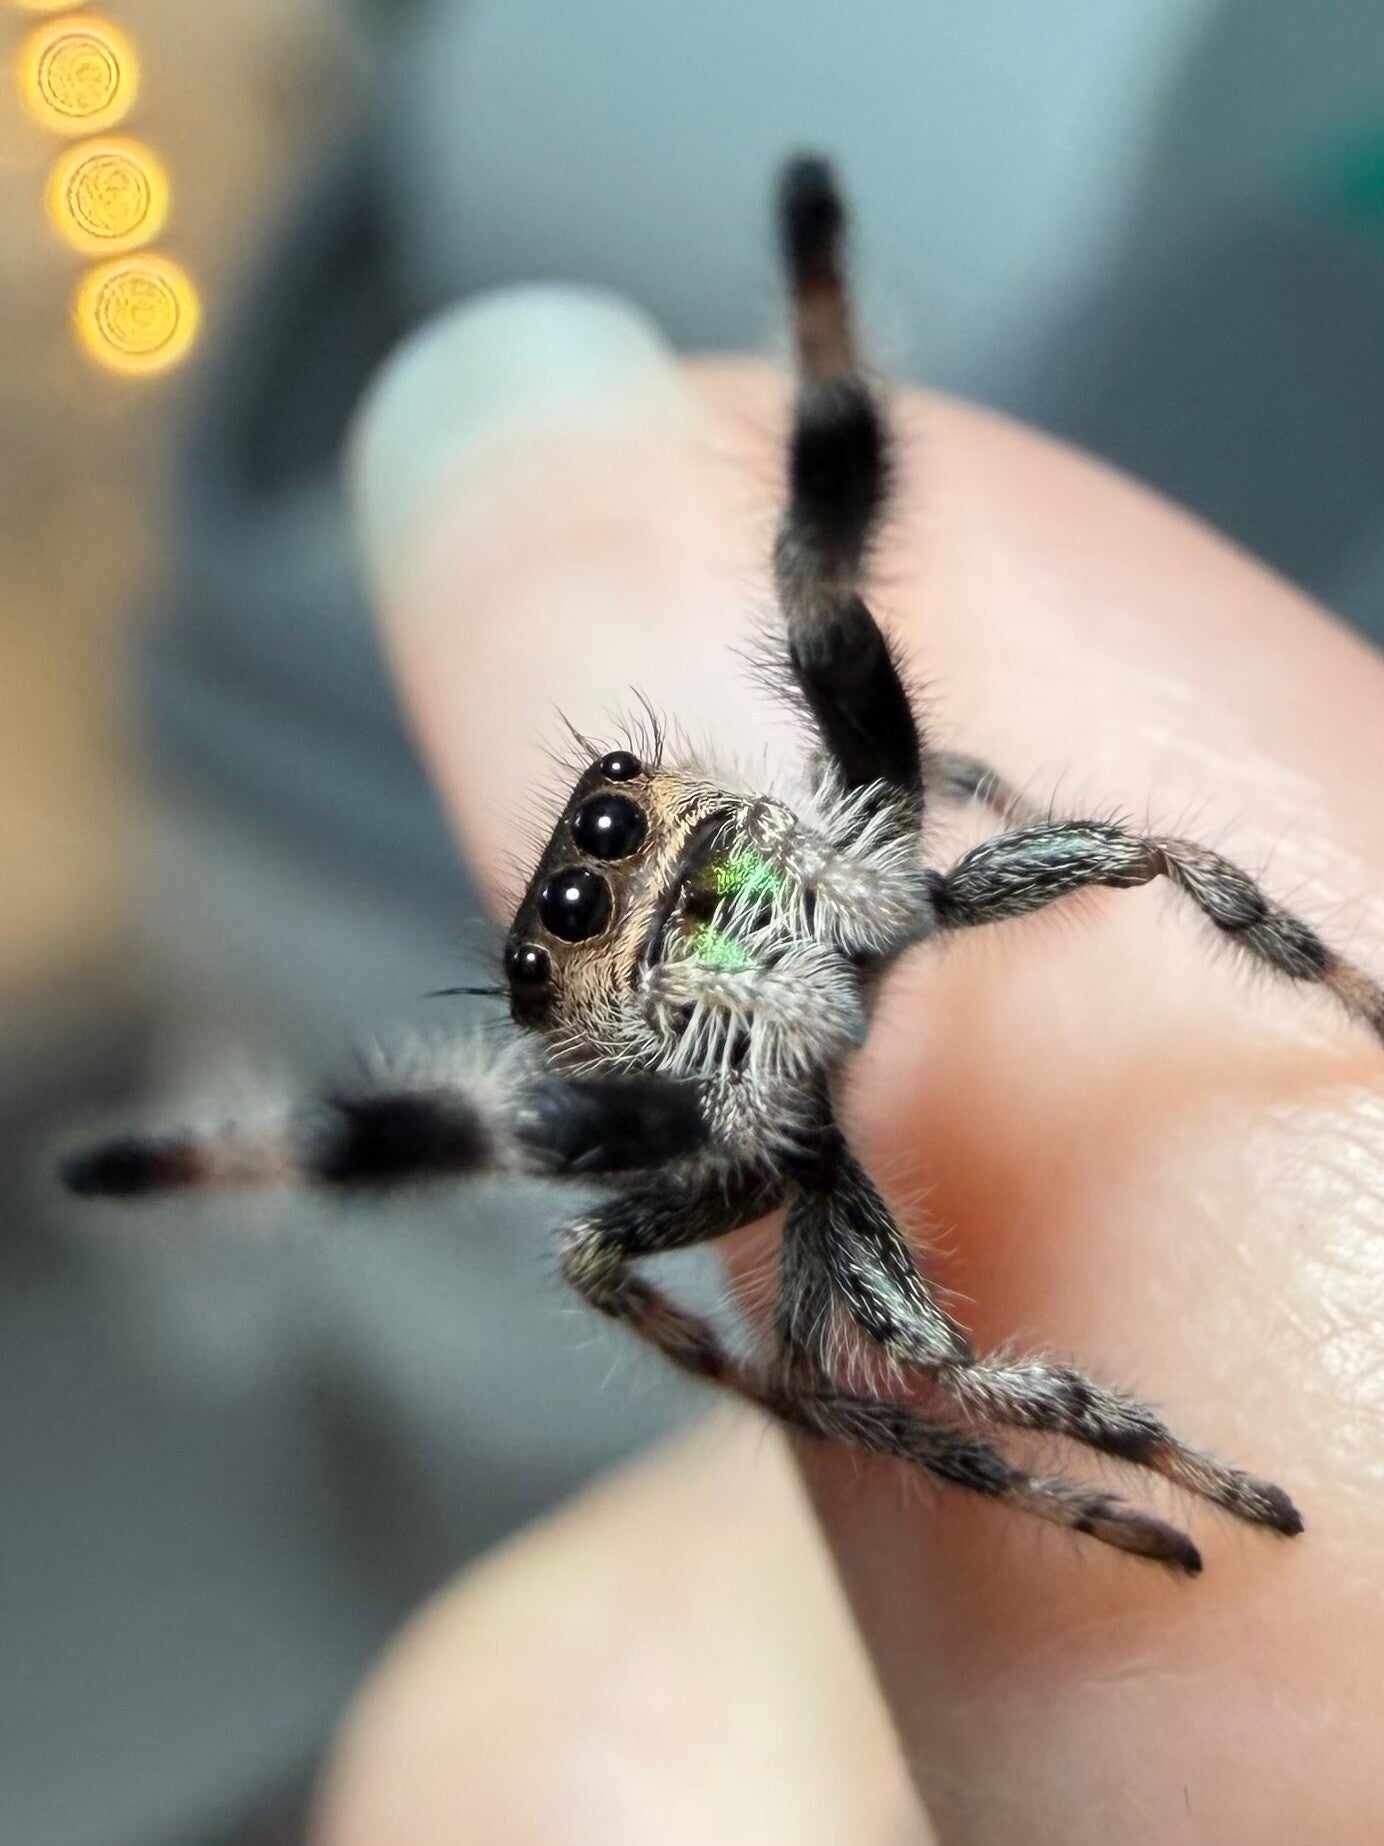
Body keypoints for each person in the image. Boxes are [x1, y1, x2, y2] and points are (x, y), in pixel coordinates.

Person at [308, 285, 1384, 1840]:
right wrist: (800, 1395)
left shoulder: (852, 850)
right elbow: (589, 1233)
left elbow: (834, 607)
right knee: (872, 1350)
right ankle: (1120, 1463)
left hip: (818, 892)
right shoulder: (732, 1106)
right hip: (760, 1063)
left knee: (1074, 803)